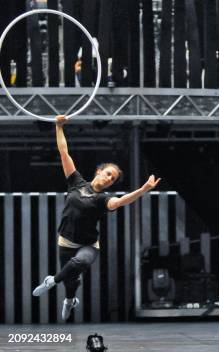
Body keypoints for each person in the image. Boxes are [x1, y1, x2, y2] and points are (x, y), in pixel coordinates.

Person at [32, 115, 161, 320]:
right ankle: (70, 300)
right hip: (66, 240)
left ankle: (50, 282)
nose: (109, 179)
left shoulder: (103, 199)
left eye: (113, 179)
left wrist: (144, 189)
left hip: (89, 245)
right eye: (108, 173)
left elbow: (120, 202)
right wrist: (58, 126)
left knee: (77, 264)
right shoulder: (76, 182)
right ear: (99, 171)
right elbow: (64, 152)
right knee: (71, 282)